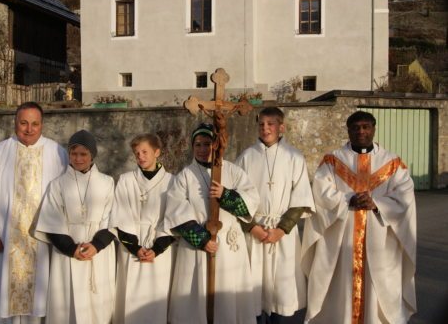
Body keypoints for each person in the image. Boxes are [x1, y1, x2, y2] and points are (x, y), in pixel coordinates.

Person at [301, 111, 416, 324]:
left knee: (379, 286)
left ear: (374, 129)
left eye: (366, 127)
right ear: (349, 130)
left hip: (380, 239)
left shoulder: (392, 163)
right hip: (342, 240)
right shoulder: (333, 161)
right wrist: (349, 199)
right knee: (340, 286)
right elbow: (321, 191)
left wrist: (377, 203)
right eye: (356, 127)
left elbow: (405, 194)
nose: (361, 131)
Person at [0, 102, 68, 324]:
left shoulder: (57, 153)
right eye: (24, 123)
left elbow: (66, 195)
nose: (29, 129)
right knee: (3, 296)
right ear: (15, 123)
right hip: (4, 241)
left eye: (35, 124)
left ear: (42, 125)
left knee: (43, 297)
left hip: (43, 242)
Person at [164, 123, 260, 324]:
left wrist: (225, 195)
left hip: (228, 246)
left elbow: (250, 203)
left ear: (215, 145)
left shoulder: (233, 171)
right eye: (197, 144)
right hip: (197, 247)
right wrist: (202, 240)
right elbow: (176, 212)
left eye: (207, 143)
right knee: (196, 302)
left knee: (228, 298)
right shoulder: (184, 176)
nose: (202, 149)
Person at [236, 107, 315, 323]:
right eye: (261, 124)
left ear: (282, 127)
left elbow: (301, 198)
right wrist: (253, 227)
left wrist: (281, 230)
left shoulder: (294, 156)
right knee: (254, 288)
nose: (265, 128)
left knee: (282, 287)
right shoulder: (246, 157)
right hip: (255, 230)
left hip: (282, 232)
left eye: (271, 124)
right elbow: (236, 198)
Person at [32, 130, 117, 324]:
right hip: (68, 252)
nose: (78, 159)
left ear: (92, 155)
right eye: (74, 153)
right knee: (67, 304)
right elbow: (52, 221)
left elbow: (112, 218)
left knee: (98, 303)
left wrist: (96, 245)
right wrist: (72, 249)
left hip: (99, 252)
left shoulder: (107, 182)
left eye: (83, 154)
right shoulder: (57, 185)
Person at [112, 133, 175, 324]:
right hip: (131, 246)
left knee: (157, 299)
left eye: (145, 151)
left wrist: (156, 249)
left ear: (157, 152)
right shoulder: (126, 180)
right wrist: (135, 247)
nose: (140, 156)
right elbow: (119, 215)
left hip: (160, 248)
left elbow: (173, 217)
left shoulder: (172, 181)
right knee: (130, 299)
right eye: (137, 153)